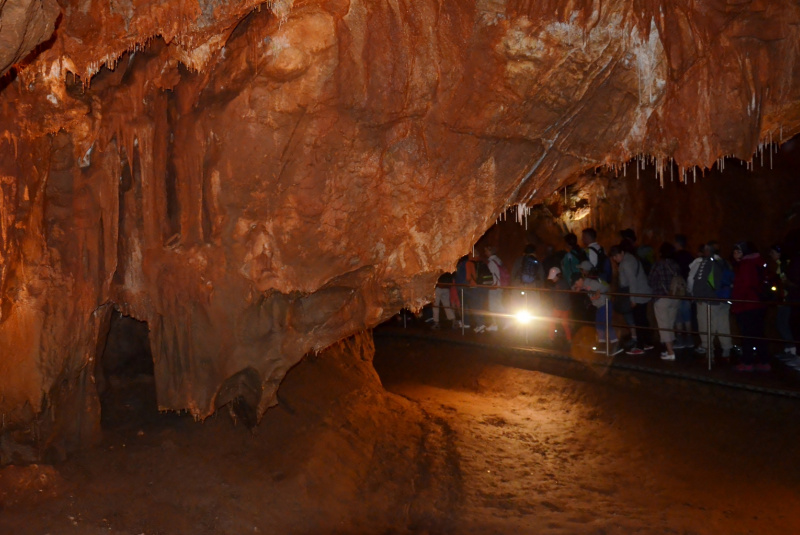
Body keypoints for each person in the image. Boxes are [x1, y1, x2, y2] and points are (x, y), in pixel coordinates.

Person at [690, 243, 733, 360]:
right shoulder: (725, 262)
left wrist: (697, 296)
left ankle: (709, 352)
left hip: (708, 299)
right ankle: (726, 349)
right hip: (724, 299)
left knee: (706, 325)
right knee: (723, 324)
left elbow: (698, 280)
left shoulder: (706, 262)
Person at [731, 242, 770, 371]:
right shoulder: (758, 261)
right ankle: (764, 361)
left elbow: (744, 285)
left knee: (747, 334)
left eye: (738, 251)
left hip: (747, 303)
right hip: (758, 302)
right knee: (758, 334)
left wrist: (736, 299)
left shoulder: (746, 264)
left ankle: (747, 362)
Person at [610, 244, 653, 355]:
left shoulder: (626, 263)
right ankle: (647, 343)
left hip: (638, 294)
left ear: (622, 253)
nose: (615, 259)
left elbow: (632, 281)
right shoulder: (630, 258)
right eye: (613, 257)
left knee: (638, 320)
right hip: (642, 292)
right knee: (642, 319)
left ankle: (640, 346)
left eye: (616, 256)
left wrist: (633, 299)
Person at [571, 272, 621, 355]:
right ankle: (602, 344)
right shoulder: (583, 285)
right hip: (599, 306)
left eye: (576, 282)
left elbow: (606, 287)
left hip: (605, 304)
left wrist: (598, 292)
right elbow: (573, 288)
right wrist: (576, 288)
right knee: (599, 325)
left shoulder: (590, 283)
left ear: (580, 280)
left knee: (606, 324)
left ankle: (616, 344)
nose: (576, 284)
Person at [648, 243, 681, 360]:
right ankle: (669, 349)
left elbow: (651, 280)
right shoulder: (675, 265)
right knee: (670, 325)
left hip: (662, 298)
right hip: (675, 298)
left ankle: (671, 352)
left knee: (664, 326)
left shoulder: (658, 265)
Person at [768, 244, 796, 356]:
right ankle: (788, 348)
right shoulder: (781, 265)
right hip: (783, 298)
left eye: (773, 253)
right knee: (781, 322)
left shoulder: (784, 265)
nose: (771, 255)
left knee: (782, 323)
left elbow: (784, 282)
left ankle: (791, 348)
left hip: (786, 298)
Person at [672, 235, 695, 349]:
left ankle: (680, 340)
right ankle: (690, 339)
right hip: (687, 289)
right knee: (687, 316)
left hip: (678, 290)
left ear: (677, 243)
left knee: (678, 316)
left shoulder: (675, 257)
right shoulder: (690, 256)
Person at [546, 267, 572, 344]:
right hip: (563, 307)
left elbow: (555, 291)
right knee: (563, 324)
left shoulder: (561, 284)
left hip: (561, 307)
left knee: (556, 323)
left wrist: (550, 289)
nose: (552, 279)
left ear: (558, 276)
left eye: (553, 277)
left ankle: (551, 338)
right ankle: (568, 339)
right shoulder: (563, 282)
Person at [483, 246, 506, 332]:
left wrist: (491, 285)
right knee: (499, 304)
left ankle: (495, 324)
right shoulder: (498, 260)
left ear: (490, 251)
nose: (485, 253)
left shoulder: (491, 262)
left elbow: (493, 276)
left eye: (486, 251)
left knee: (492, 305)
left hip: (494, 286)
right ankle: (506, 321)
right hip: (501, 285)